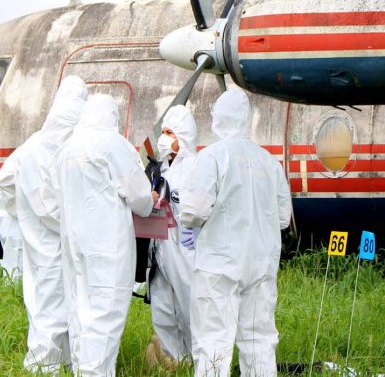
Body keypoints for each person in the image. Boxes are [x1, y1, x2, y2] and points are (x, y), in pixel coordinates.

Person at [181, 89, 292, 377]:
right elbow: (283, 218)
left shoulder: (213, 156)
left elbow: (192, 210)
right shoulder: (270, 162)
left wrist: (195, 225)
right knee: (259, 338)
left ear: (221, 118)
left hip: (220, 263)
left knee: (214, 338)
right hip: (261, 263)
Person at [55, 94, 159, 377]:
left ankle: (82, 369)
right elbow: (138, 197)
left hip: (74, 243)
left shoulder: (67, 148)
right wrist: (150, 197)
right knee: (105, 312)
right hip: (106, 244)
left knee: (80, 310)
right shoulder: (112, 144)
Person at [0, 75, 88, 374]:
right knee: (77, 303)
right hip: (74, 239)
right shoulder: (81, 144)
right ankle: (64, 365)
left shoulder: (30, 146)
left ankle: (45, 366)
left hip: (38, 241)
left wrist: (22, 210)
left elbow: (5, 181)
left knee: (43, 304)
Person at [146, 105, 199, 368]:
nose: (164, 138)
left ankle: (201, 360)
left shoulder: (196, 168)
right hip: (161, 249)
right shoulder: (159, 170)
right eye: (163, 131)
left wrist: (198, 231)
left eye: (170, 132)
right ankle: (175, 361)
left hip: (186, 250)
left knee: (191, 306)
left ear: (184, 136)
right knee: (163, 308)